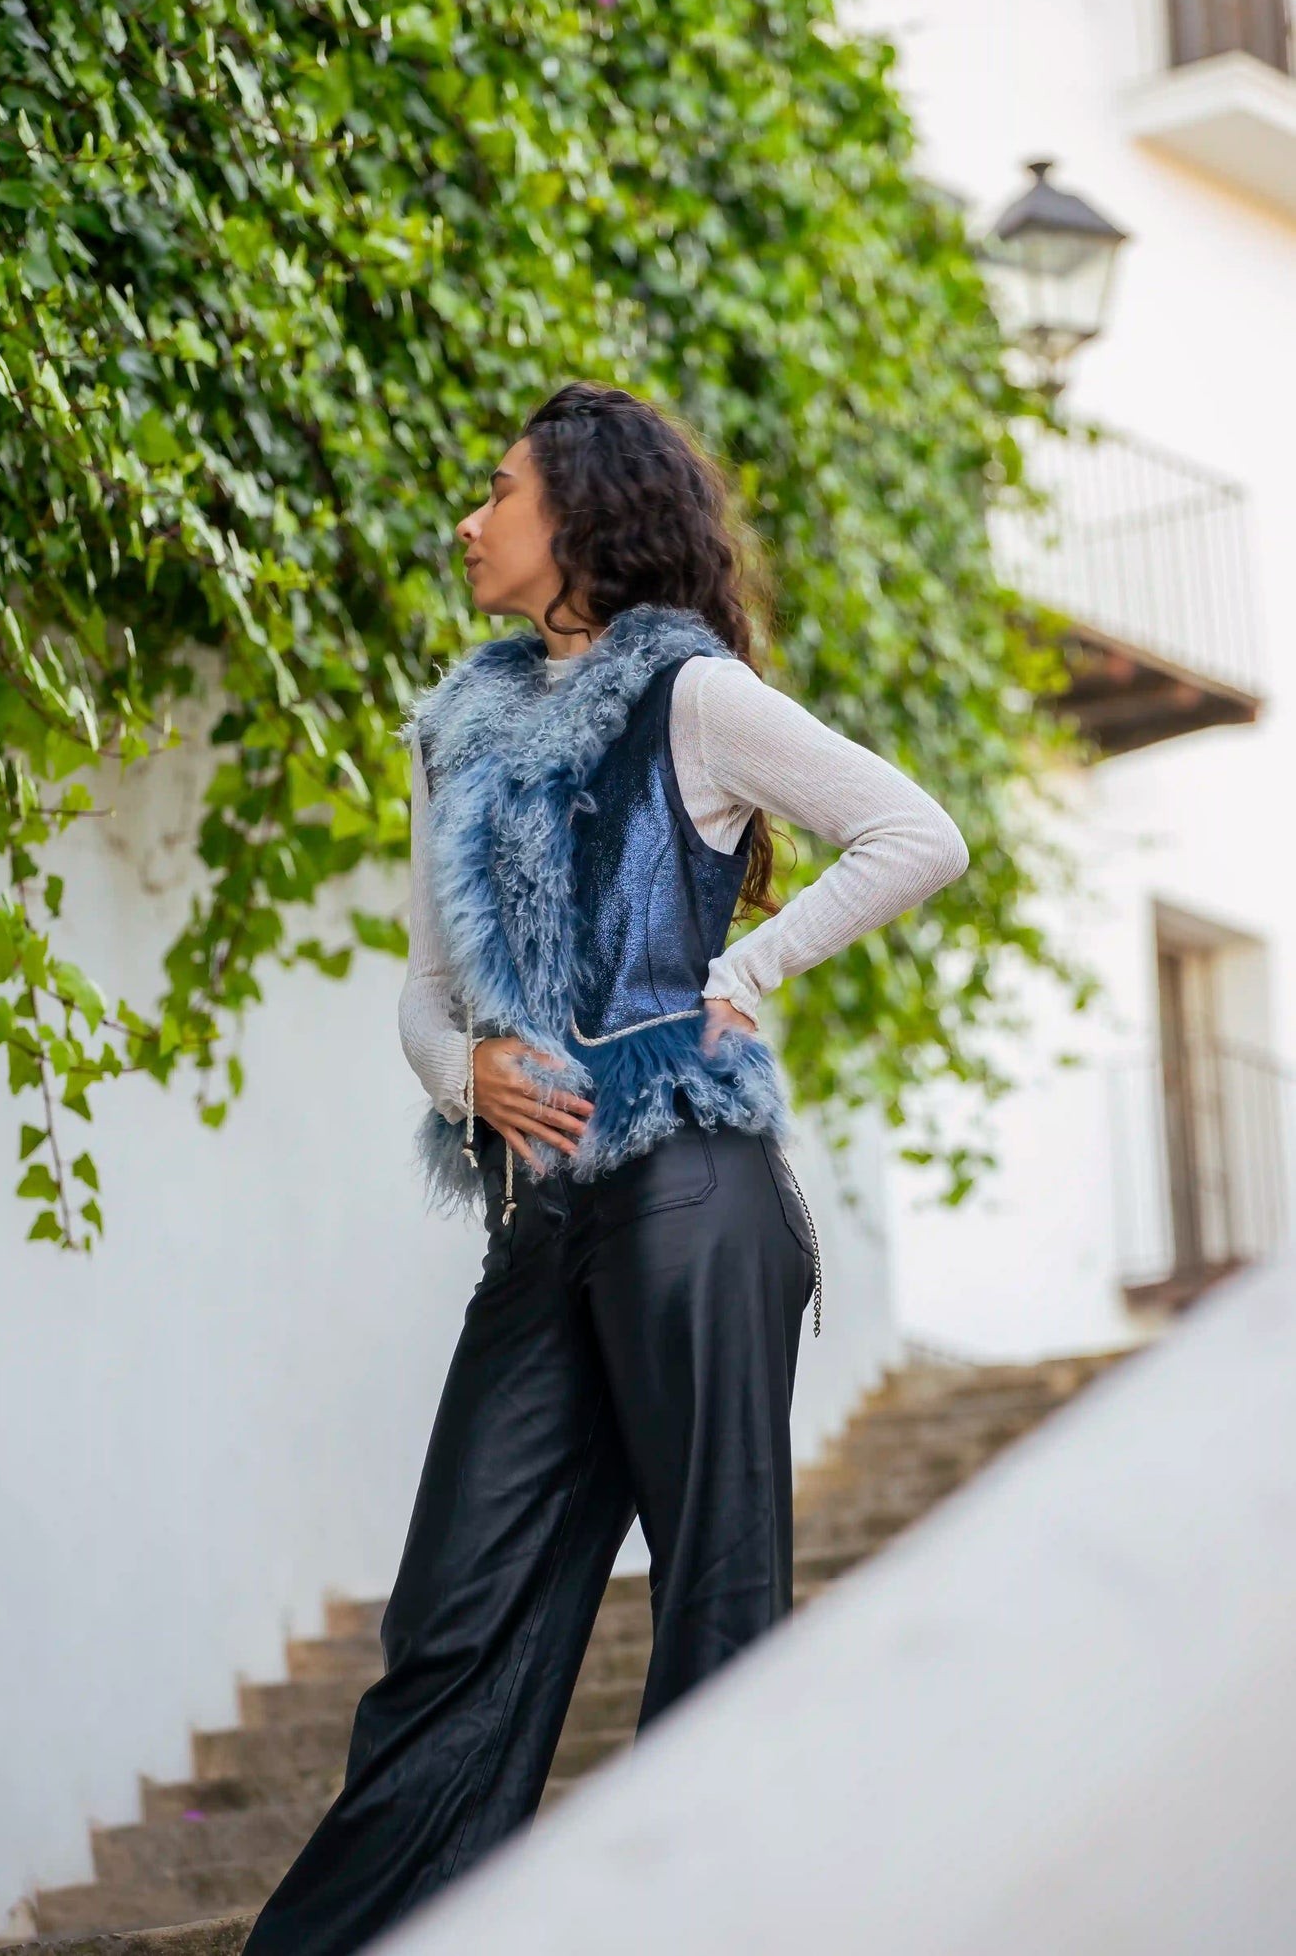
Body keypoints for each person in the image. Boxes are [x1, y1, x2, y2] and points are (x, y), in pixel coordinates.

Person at [243, 382, 968, 1955]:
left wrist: (745, 973)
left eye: (494, 490)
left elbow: (912, 832)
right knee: (449, 1627)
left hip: (694, 1192)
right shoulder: (453, 728)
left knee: (715, 1604)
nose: (468, 521)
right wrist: (469, 1074)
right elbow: (425, 987)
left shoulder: (689, 694)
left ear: (574, 509)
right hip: (540, 1217)